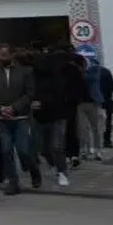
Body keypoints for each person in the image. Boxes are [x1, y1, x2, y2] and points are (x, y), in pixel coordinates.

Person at [0, 43, 37, 194]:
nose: (0, 58)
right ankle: (13, 183)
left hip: (21, 117)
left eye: (4, 55)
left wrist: (14, 107)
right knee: (6, 151)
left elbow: (30, 93)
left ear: (12, 55)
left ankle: (34, 170)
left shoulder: (25, 72)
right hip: (1, 119)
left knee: (23, 150)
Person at [31, 49, 71, 187]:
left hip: (57, 116)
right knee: (43, 148)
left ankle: (62, 172)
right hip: (40, 117)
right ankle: (53, 165)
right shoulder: (33, 77)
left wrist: (42, 103)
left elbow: (60, 97)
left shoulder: (57, 77)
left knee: (57, 146)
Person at [100, 63, 113, 149]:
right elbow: (112, 87)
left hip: (94, 101)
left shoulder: (88, 72)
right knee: (107, 121)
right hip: (107, 100)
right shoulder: (106, 71)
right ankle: (107, 141)